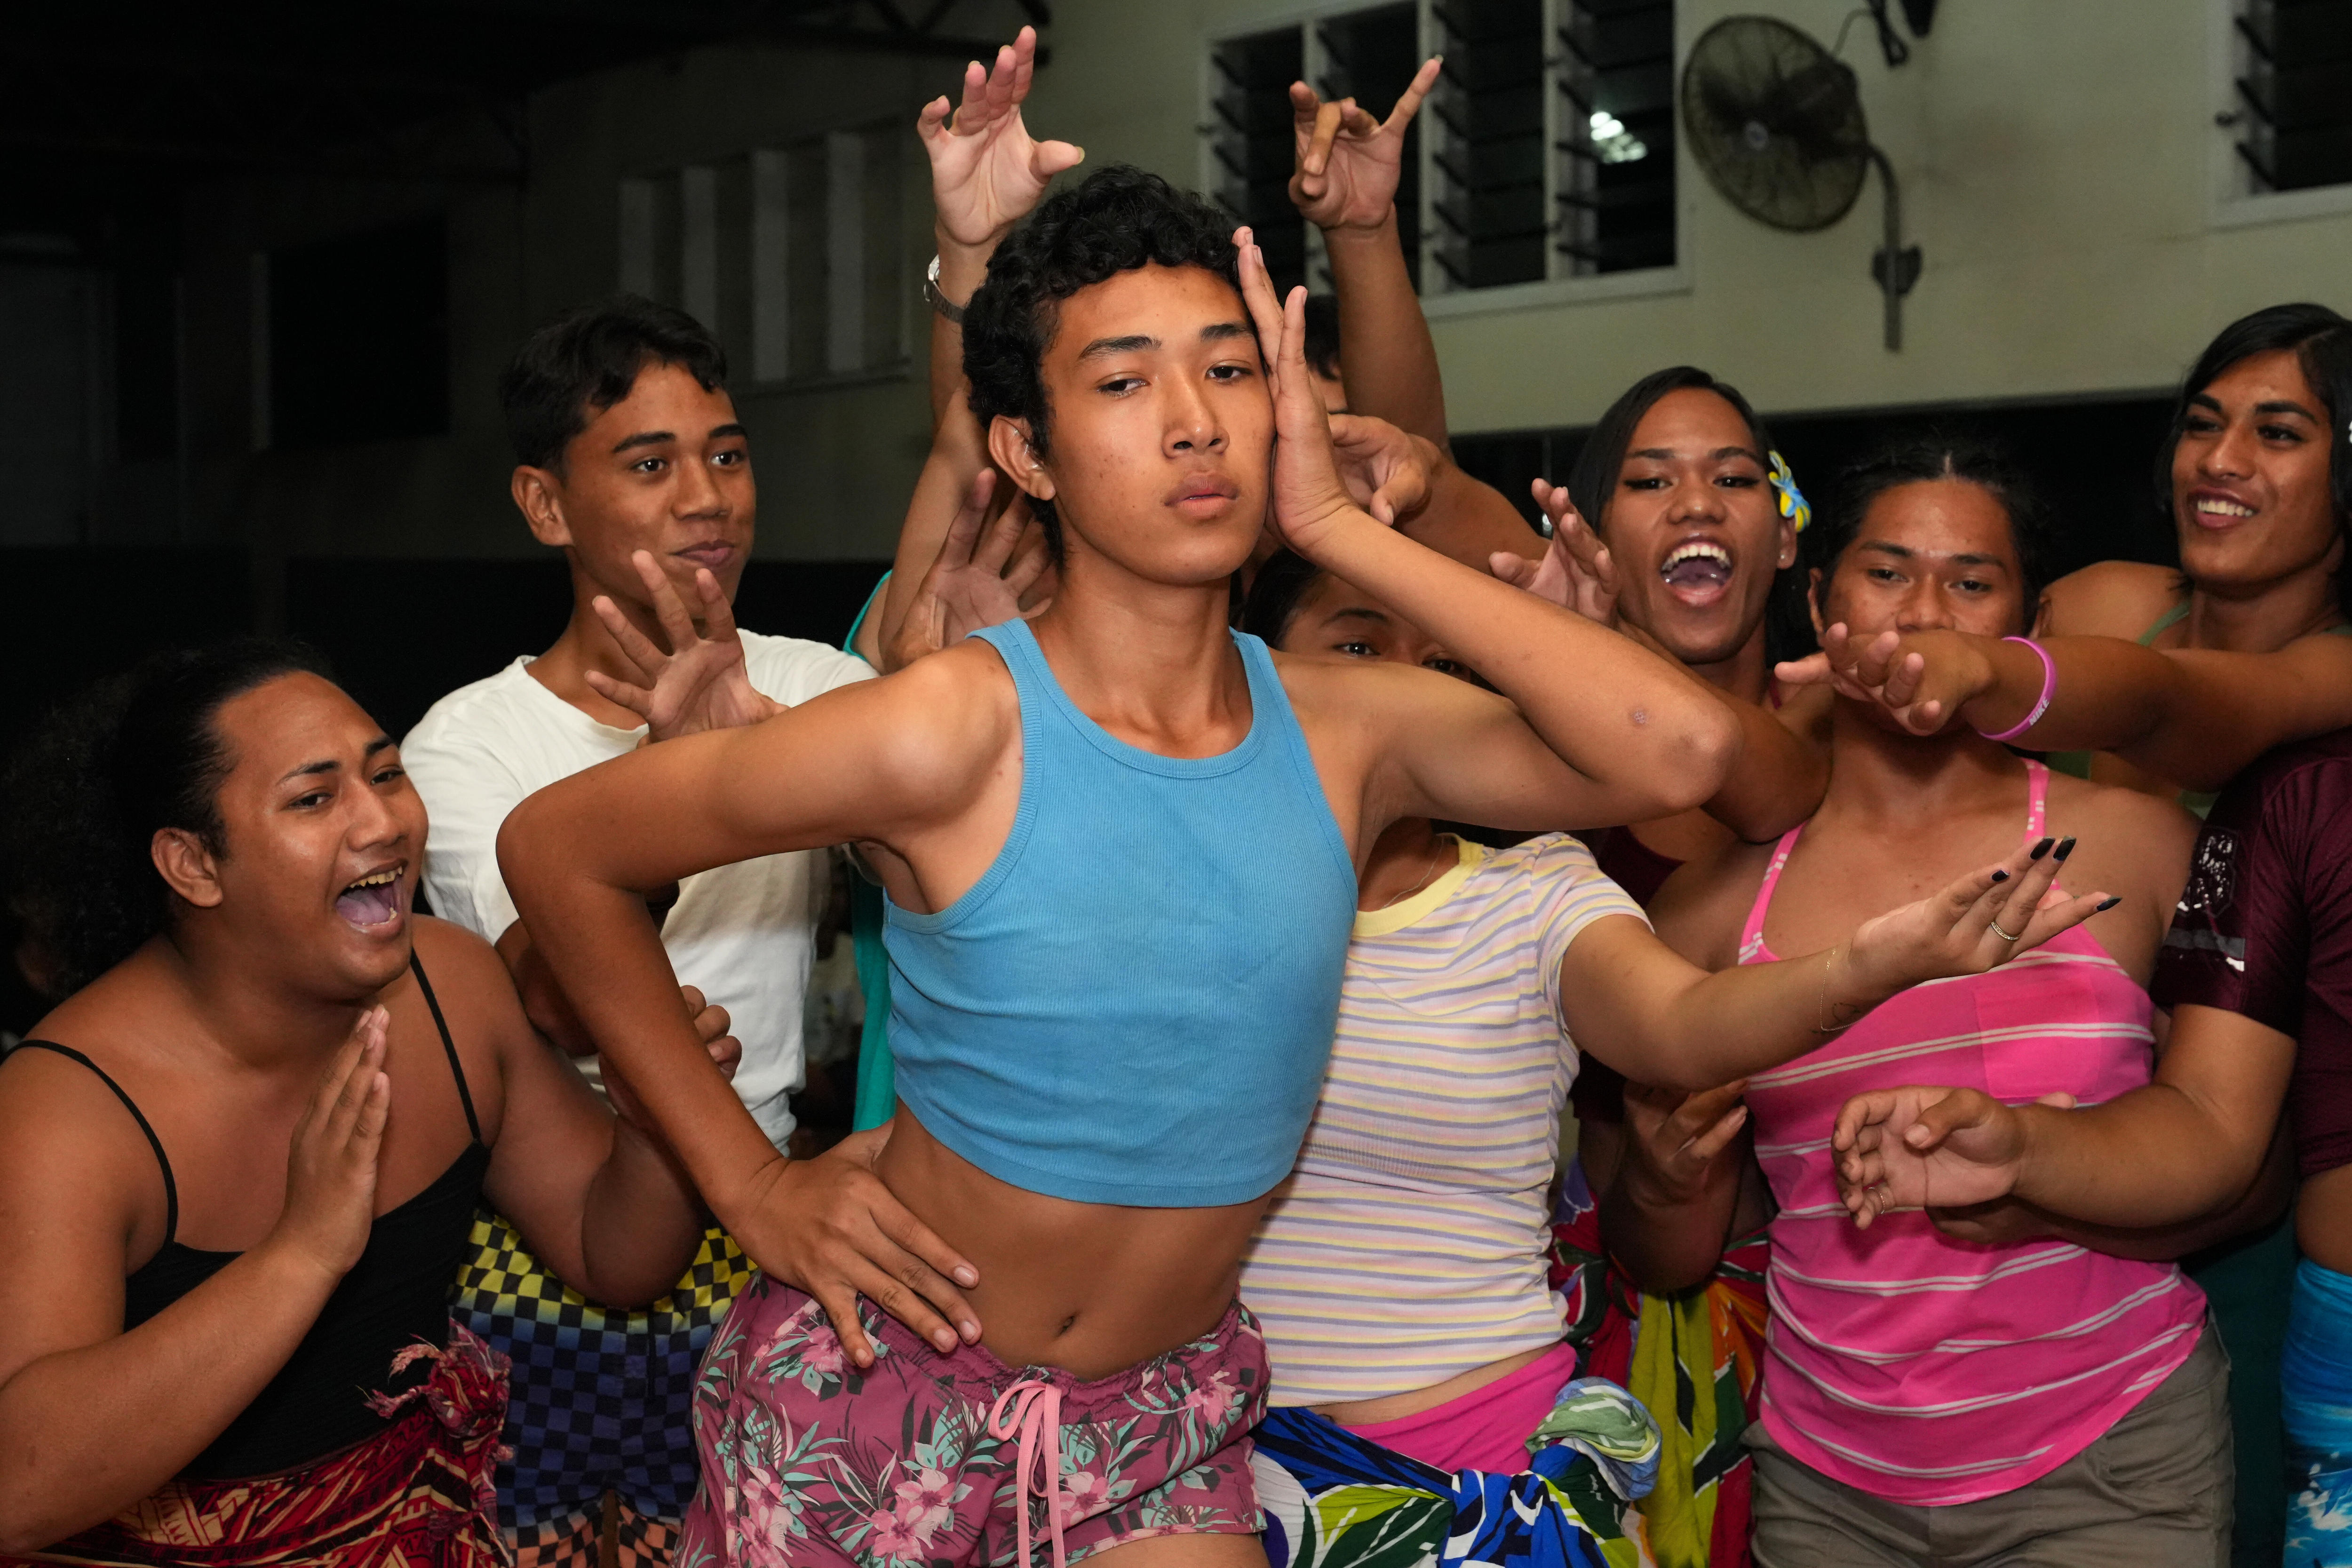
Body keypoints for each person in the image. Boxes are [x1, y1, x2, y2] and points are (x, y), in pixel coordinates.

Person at [492, 143, 2106, 1566]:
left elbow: (1690, 753)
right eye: (1124, 382)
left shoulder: (1349, 727)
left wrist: (1345, 530)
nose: (1195, 422)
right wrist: (752, 1183)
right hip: (882, 1386)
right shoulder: (949, 729)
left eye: (1228, 369)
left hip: (1160, 1417)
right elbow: (559, 849)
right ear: (1029, 454)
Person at [1228, 554, 2091, 1568]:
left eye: (1450, 666)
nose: (1410, 690)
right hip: (1213, 1476)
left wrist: (1869, 961)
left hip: (1486, 1478)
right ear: (1256, 663)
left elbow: (1683, 1019)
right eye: (1361, 646)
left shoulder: (1535, 890)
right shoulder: (1173, 883)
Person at [1635, 435, 2265, 1566]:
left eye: (1971, 583)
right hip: (1827, 1484)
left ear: (2025, 621)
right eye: (1885, 572)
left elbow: (2245, 1161)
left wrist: (2035, 1170)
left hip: (2111, 1457)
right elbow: (1673, 1252)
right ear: (1819, 597)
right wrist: (1664, 1175)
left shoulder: (2143, 846)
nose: (1925, 611)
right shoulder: (1710, 912)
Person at [0, 642, 719, 1566]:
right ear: (192, 863)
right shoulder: (63, 1109)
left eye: (387, 774)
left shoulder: (451, 986)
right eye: (314, 796)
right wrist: (302, 1253)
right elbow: (19, 1490)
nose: (382, 819)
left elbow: (611, 1252)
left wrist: (656, 1123)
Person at [399, 294, 875, 1565]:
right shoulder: (468, 741)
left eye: (726, 453)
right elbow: (545, 1003)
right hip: (568, 1242)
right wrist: (670, 802)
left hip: (796, 1228)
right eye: (650, 462)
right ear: (547, 505)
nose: (707, 495)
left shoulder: (818, 689)